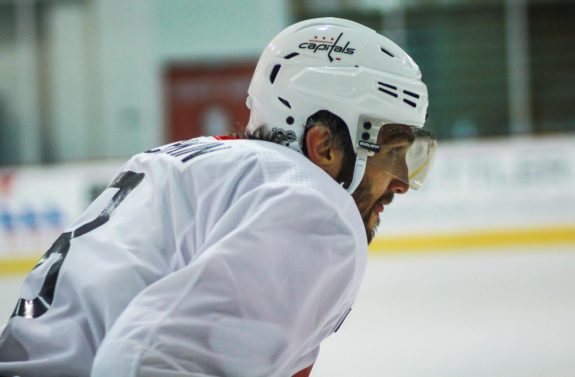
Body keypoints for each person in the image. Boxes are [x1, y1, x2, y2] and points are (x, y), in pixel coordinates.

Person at [0, 17, 436, 377]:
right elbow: (151, 363)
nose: (401, 181)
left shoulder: (199, 163)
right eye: (393, 150)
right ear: (323, 146)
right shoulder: (315, 204)